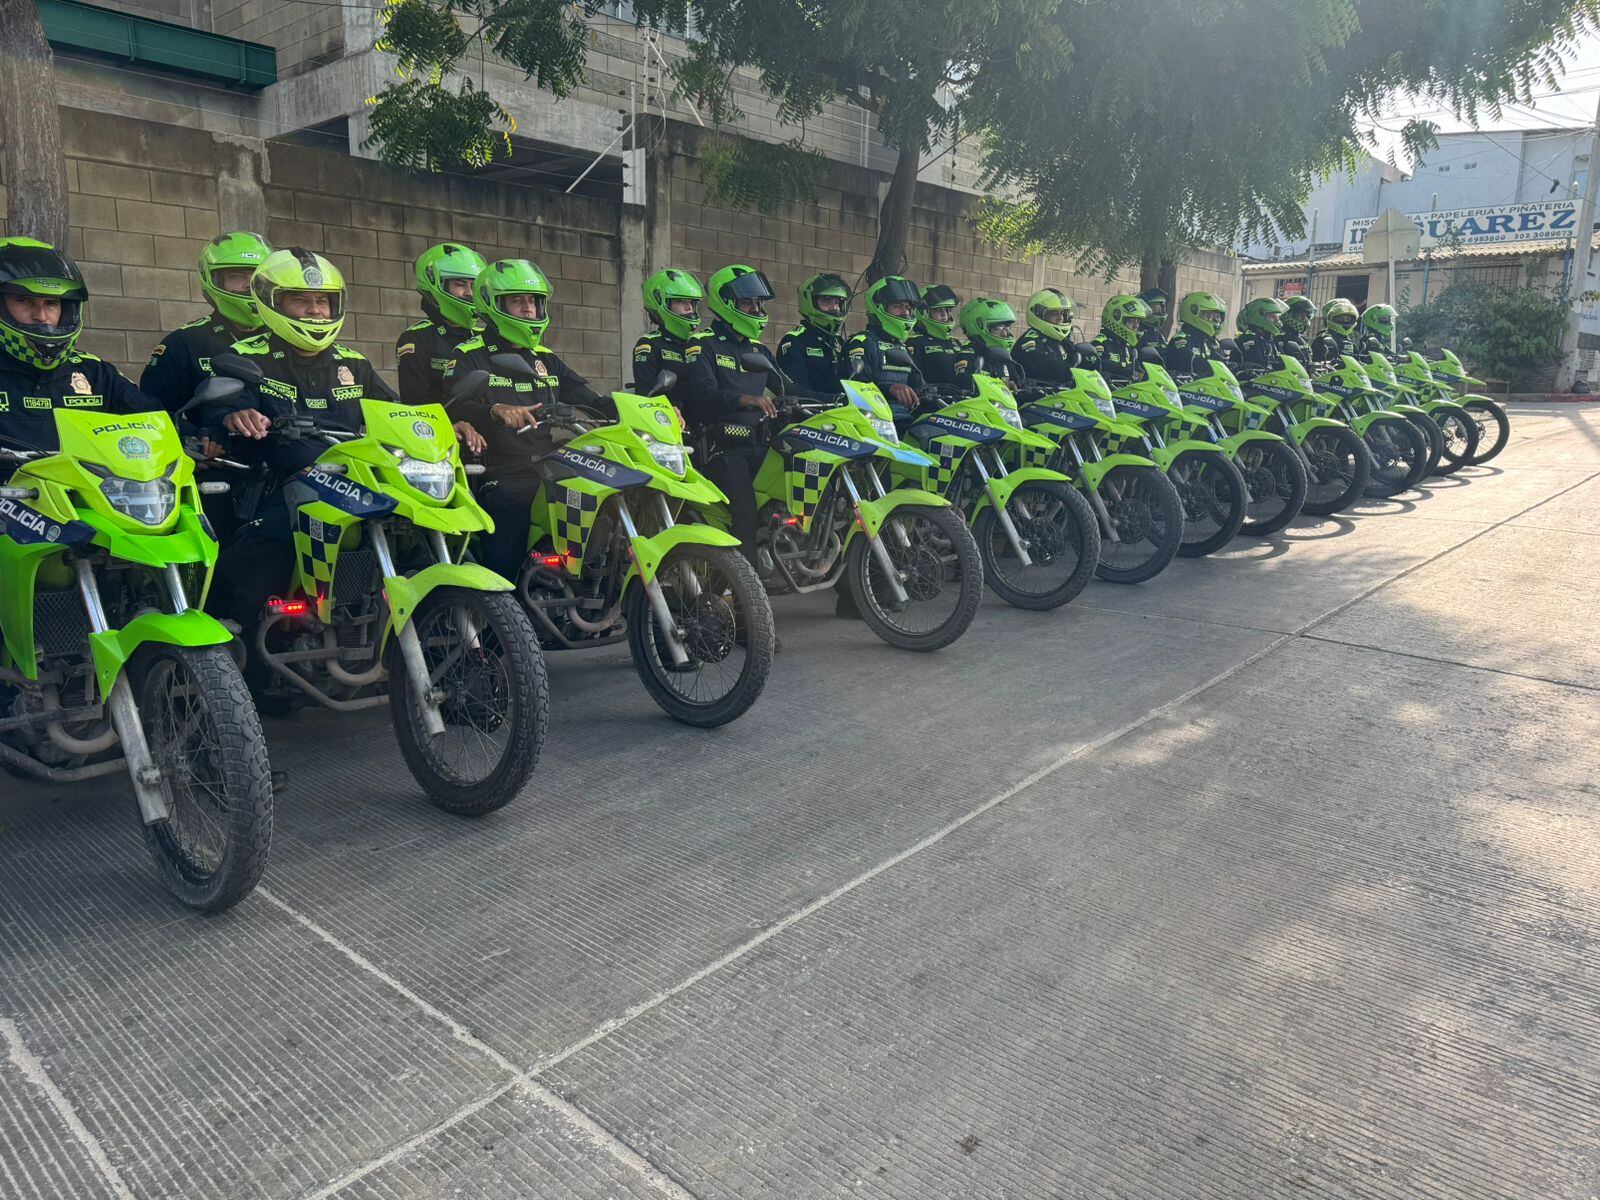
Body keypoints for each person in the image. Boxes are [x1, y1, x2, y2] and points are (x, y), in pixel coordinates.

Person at [208, 248, 397, 653]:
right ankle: (259, 667)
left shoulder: (354, 363)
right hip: (280, 488)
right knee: (261, 560)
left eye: (322, 300)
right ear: (274, 303)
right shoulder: (241, 358)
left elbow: (392, 413)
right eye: (301, 300)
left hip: (356, 486)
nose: (315, 311)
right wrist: (235, 414)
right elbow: (216, 407)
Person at [442, 258, 610, 581]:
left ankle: (587, 588)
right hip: (500, 471)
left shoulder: (546, 359)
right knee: (511, 525)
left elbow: (592, 400)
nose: (529, 309)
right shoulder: (468, 354)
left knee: (597, 502)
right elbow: (454, 408)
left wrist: (644, 407)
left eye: (533, 301)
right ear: (492, 303)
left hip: (549, 466)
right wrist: (495, 411)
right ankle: (503, 613)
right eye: (518, 300)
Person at [0, 237, 161, 455]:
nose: (41, 316)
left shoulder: (94, 372)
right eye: (23, 300)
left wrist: (200, 437)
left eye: (52, 303)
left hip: (86, 488)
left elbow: (156, 421)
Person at [140, 230, 272, 415]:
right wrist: (199, 435)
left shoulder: (289, 338)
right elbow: (153, 413)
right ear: (215, 280)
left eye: (257, 276)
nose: (249, 284)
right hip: (216, 442)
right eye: (237, 276)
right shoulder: (183, 343)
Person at [396, 242, 486, 406]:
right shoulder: (417, 338)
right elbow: (416, 404)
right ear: (434, 283)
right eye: (460, 284)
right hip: (444, 429)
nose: (469, 293)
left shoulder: (484, 337)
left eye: (473, 285)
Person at [841, 275, 925, 413]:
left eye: (908, 307)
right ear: (879, 307)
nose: (905, 312)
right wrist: (890, 388)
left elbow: (920, 385)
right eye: (897, 306)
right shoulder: (862, 342)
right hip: (876, 420)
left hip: (906, 418)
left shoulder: (902, 348)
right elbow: (856, 385)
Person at [632, 266, 707, 410]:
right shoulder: (649, 345)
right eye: (680, 301)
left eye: (691, 302)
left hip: (703, 422)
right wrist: (667, 408)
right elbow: (645, 394)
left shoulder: (699, 345)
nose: (689, 308)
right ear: (660, 302)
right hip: (667, 421)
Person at [777, 273, 851, 394]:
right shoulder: (794, 341)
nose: (834, 308)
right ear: (809, 302)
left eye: (837, 302)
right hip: (811, 411)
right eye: (827, 301)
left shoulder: (839, 342)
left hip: (843, 410)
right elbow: (796, 390)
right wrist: (832, 400)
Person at [1010, 287, 1078, 384]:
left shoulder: (1060, 340)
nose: (1061, 318)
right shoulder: (1029, 341)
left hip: (1059, 395)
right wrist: (1071, 373)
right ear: (1038, 314)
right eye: (1055, 313)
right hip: (1032, 397)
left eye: (1063, 313)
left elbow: (1077, 354)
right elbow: (1045, 365)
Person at [952, 298, 1022, 390]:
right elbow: (963, 384)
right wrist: (1000, 386)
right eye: (998, 328)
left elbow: (1019, 386)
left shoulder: (1006, 358)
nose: (1005, 334)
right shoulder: (968, 355)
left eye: (1007, 328)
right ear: (978, 327)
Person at [1163, 291, 1229, 379]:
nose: (1214, 320)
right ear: (1193, 312)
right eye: (1209, 315)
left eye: (1216, 316)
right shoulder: (1181, 340)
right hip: (1185, 388)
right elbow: (1186, 364)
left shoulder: (1209, 340)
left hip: (1207, 386)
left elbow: (1220, 361)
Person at [1088, 293, 1151, 383]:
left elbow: (1139, 372)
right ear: (1116, 318)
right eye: (1132, 320)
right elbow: (1096, 370)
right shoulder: (1100, 343)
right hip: (1108, 394)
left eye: (1138, 321)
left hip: (1128, 394)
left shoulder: (1128, 347)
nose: (1136, 325)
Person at [908, 284, 962, 385]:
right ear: (922, 313)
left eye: (946, 309)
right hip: (932, 398)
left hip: (960, 397)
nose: (944, 314)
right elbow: (913, 379)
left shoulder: (955, 342)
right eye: (937, 310)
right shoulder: (916, 342)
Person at [1233, 296, 1289, 371]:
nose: (1276, 320)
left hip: (1269, 380)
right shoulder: (1249, 338)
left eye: (1277, 317)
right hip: (1249, 381)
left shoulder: (1269, 338)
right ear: (1258, 316)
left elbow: (1279, 361)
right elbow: (1257, 365)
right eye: (1272, 317)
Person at [1310, 297, 1361, 364]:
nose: (1345, 321)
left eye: (1348, 319)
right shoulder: (1323, 339)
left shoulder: (1350, 341)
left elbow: (1358, 360)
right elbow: (1315, 362)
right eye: (1341, 318)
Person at [1278, 294, 1315, 365]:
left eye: (1307, 315)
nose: (1305, 319)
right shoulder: (1278, 338)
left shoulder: (1301, 339)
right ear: (1288, 314)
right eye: (1300, 314)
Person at [1135, 287, 1170, 354]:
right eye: (1155, 307)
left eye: (1162, 307)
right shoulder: (1137, 331)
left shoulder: (1156, 332)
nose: (1160, 311)